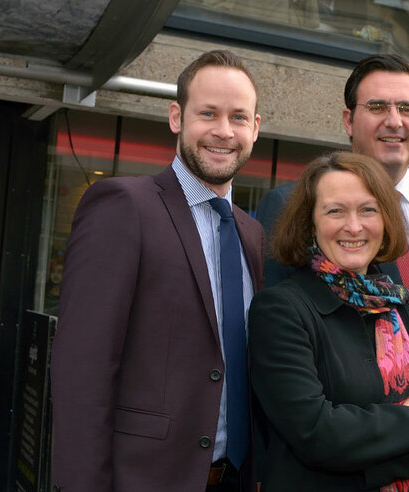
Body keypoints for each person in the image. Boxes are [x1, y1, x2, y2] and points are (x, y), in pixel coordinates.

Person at [255, 53, 409, 489]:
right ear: (348, 118)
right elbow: (294, 402)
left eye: (406, 108)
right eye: (377, 107)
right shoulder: (285, 211)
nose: (393, 120)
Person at [51, 50, 263, 491]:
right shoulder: (124, 206)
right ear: (176, 117)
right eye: (208, 113)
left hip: (237, 480)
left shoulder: (254, 236)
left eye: (238, 117)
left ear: (255, 128)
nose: (224, 131)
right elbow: (82, 370)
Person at [248, 151, 409, 490]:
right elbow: (316, 433)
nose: (354, 226)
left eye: (368, 210)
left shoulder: (398, 307)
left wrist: (369, 462)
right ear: (310, 224)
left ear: (386, 220)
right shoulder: (280, 310)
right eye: (335, 211)